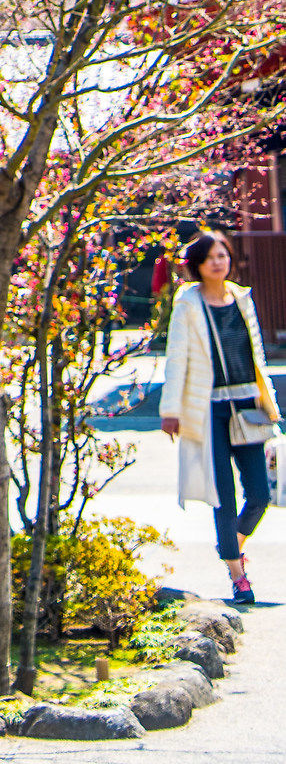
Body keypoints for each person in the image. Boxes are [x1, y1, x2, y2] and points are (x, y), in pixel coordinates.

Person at [160, 228, 278, 605]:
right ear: (197, 264)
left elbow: (257, 355)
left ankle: (232, 543)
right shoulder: (188, 304)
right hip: (206, 410)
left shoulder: (242, 299)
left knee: (260, 493)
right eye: (210, 256)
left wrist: (268, 404)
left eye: (223, 254)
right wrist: (170, 411)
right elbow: (176, 358)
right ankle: (238, 576)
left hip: (247, 406)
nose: (218, 261)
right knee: (222, 497)